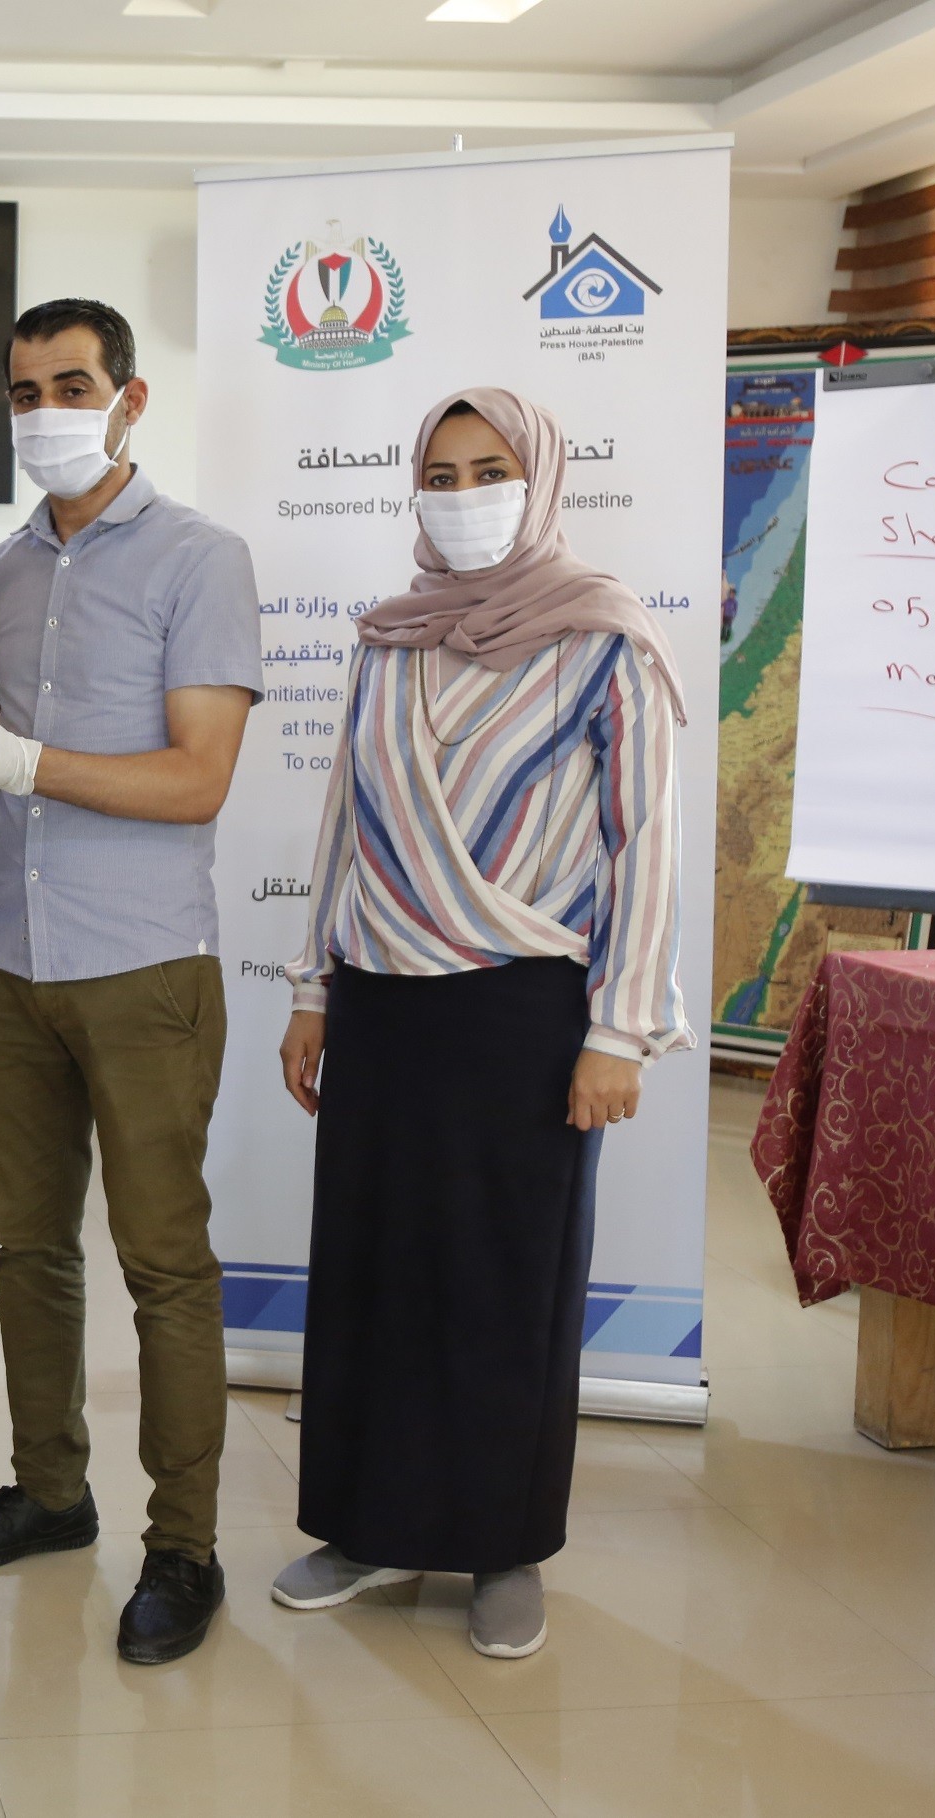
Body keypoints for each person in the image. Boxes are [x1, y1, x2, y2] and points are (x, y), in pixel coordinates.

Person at [273, 386, 690, 1661]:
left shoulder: (603, 638)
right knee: (375, 1272)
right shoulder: (389, 639)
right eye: (441, 475)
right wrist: (312, 988)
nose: (463, 497)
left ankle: (504, 1546)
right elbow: (345, 818)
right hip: (383, 1000)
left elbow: (644, 842)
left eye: (490, 470)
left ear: (541, 479)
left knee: (507, 1280)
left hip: (524, 1008)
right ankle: (369, 1525)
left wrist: (618, 1033)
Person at [0, 297, 260, 1666]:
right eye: (23, 390)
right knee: (28, 1251)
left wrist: (25, 763)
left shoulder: (200, 558)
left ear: (129, 398)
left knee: (163, 1264)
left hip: (142, 964)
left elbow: (199, 780)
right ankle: (51, 1491)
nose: (44, 410)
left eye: (70, 384)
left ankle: (185, 1547)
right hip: (8, 956)